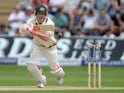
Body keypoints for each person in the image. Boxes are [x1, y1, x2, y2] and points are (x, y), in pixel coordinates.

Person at [19, 4, 65, 88]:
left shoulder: (49, 23)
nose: (41, 15)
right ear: (35, 13)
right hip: (37, 45)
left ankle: (60, 75)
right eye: (39, 13)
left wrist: (32, 32)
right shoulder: (31, 21)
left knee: (55, 70)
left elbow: (46, 37)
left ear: (46, 14)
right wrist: (23, 30)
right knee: (32, 65)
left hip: (50, 47)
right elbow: (25, 31)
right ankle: (41, 81)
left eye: (43, 13)